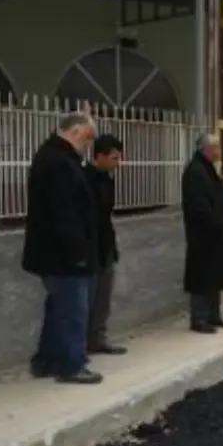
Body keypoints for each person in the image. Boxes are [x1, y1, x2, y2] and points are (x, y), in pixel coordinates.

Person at [22, 112, 103, 385]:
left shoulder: (56, 158)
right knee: (73, 310)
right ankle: (71, 364)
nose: (89, 145)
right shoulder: (57, 163)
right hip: (63, 254)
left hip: (56, 253)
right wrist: (78, 252)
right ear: (77, 132)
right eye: (89, 138)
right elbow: (64, 213)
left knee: (59, 308)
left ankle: (46, 361)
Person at [181, 134, 223, 334]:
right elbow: (199, 206)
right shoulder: (195, 171)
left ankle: (213, 315)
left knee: (216, 274)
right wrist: (214, 223)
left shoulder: (208, 170)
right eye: (216, 148)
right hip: (203, 235)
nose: (219, 152)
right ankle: (199, 318)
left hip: (216, 233)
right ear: (207, 150)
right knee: (202, 276)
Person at [85, 134, 126, 356]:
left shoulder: (107, 180)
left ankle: (98, 338)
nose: (117, 163)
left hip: (105, 245)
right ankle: (82, 342)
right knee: (86, 299)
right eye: (113, 157)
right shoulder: (84, 179)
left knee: (103, 297)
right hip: (89, 247)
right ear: (99, 156)